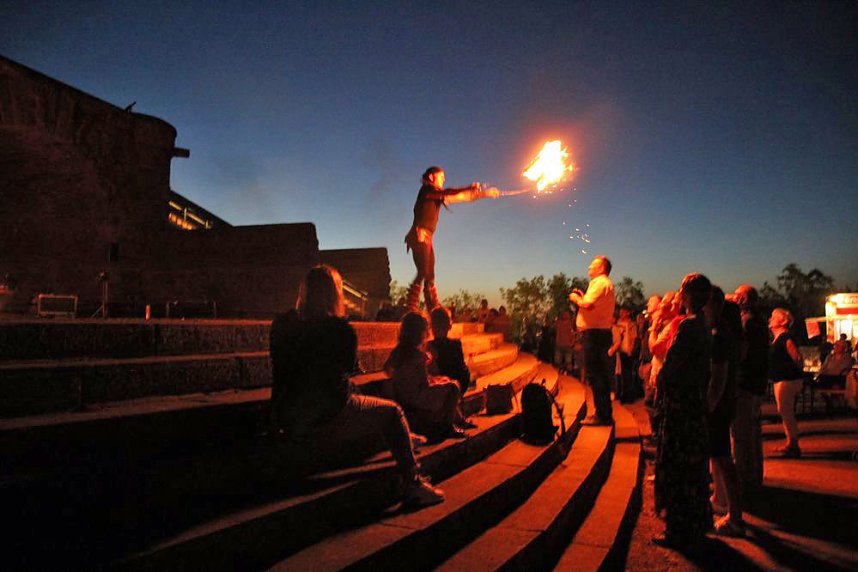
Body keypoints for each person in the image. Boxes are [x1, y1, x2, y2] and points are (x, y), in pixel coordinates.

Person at [269, 265, 444, 507]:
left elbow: (281, 373)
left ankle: (403, 437)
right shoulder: (340, 329)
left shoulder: (282, 325)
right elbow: (348, 369)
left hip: (289, 415)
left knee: (365, 393)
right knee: (393, 412)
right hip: (326, 416)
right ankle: (413, 482)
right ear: (334, 294)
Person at [653, 273, 713, 548]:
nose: (678, 294)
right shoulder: (702, 324)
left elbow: (672, 365)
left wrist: (662, 383)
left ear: (688, 295)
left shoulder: (688, 327)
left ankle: (677, 527)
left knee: (677, 465)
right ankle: (694, 521)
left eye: (681, 290)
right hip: (693, 403)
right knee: (692, 465)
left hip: (680, 407)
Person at [404, 167, 498, 312]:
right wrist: (468, 186)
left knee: (430, 276)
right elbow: (448, 192)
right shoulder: (426, 191)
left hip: (427, 238)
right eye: (441, 176)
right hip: (418, 236)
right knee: (423, 272)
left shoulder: (436, 195)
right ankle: (410, 308)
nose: (444, 179)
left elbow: (462, 197)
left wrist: (485, 193)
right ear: (431, 177)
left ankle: (433, 308)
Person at [384, 311, 470, 441]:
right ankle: (447, 426)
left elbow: (387, 369)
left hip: (403, 395)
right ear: (421, 333)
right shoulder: (419, 356)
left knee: (446, 380)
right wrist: (436, 381)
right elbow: (424, 384)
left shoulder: (397, 352)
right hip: (416, 397)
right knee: (454, 387)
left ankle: (459, 420)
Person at [706, 288, 745, 537]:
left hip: (718, 406)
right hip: (726, 402)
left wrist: (707, 407)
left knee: (722, 458)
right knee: (721, 458)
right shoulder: (730, 335)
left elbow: (718, 378)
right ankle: (732, 510)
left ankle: (736, 517)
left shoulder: (720, 337)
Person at [569, 256, 616, 425]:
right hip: (600, 334)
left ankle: (602, 415)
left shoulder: (600, 283)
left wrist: (576, 299)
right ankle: (604, 413)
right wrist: (584, 297)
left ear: (602, 268)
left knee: (595, 374)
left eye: (593, 265)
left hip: (595, 335)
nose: (589, 266)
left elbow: (587, 305)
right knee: (600, 375)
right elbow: (593, 305)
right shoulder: (604, 284)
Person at [732, 284, 768, 489]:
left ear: (744, 300)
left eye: (737, 295)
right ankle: (754, 476)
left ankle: (742, 480)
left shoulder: (748, 323)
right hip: (756, 384)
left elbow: (742, 354)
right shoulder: (759, 322)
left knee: (741, 436)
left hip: (745, 384)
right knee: (753, 434)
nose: (733, 298)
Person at [428, 306, 476, 419]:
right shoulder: (456, 343)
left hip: (448, 381)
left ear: (432, 326)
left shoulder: (429, 346)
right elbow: (461, 367)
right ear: (449, 325)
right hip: (459, 381)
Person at [769, 308, 805, 458]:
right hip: (781, 379)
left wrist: (795, 373)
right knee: (784, 411)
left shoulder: (785, 338)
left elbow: (796, 357)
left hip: (787, 380)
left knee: (786, 411)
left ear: (782, 321)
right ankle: (791, 442)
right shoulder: (778, 338)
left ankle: (793, 444)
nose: (770, 319)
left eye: (773, 317)